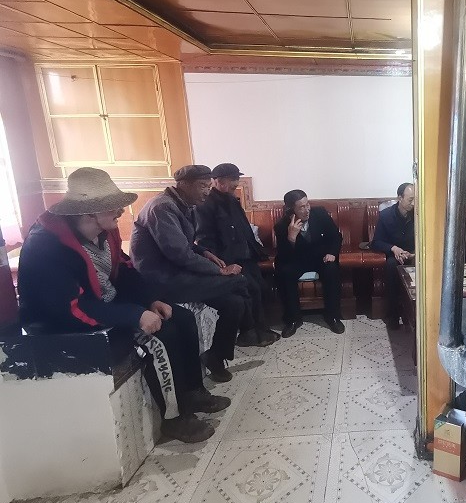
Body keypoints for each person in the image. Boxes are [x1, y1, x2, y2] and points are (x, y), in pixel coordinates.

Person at [17, 168, 230, 443]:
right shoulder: (47, 246)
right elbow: (68, 309)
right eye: (112, 206)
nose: (120, 211)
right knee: (161, 338)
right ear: (88, 213)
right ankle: (175, 419)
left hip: (104, 304)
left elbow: (126, 269)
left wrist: (149, 300)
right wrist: (134, 315)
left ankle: (192, 393)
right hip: (64, 322)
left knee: (182, 318)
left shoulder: (105, 231)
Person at [130, 165, 264, 384]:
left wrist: (205, 252)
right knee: (240, 281)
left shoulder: (185, 205)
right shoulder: (162, 207)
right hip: (162, 280)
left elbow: (187, 244)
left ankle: (216, 356)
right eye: (202, 186)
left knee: (235, 302)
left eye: (209, 186)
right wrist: (220, 270)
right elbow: (179, 254)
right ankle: (249, 331)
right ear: (183, 185)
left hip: (179, 273)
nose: (207, 192)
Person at [195, 163, 278, 348]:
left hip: (246, 256)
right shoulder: (206, 205)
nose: (236, 183)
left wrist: (256, 251)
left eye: (237, 179)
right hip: (228, 259)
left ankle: (262, 330)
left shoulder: (232, 200)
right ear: (218, 181)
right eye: (233, 179)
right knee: (250, 290)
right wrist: (221, 264)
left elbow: (244, 229)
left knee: (260, 287)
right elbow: (205, 239)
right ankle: (249, 334)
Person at [273, 189, 344, 338]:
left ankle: (333, 316)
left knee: (332, 269)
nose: (307, 210)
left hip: (321, 257)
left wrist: (332, 253)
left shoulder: (320, 214)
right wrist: (291, 238)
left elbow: (336, 236)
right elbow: (284, 256)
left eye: (307, 204)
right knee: (284, 272)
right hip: (297, 260)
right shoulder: (282, 226)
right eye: (301, 207)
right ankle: (293, 319)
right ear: (291, 209)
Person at [371, 183, 415, 328]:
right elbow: (376, 242)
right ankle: (393, 314)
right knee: (391, 266)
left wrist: (414, 253)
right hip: (394, 255)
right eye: (410, 200)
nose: (413, 204)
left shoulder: (419, 214)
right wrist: (394, 248)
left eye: (416, 199)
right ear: (399, 198)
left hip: (414, 254)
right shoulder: (386, 215)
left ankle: (417, 314)